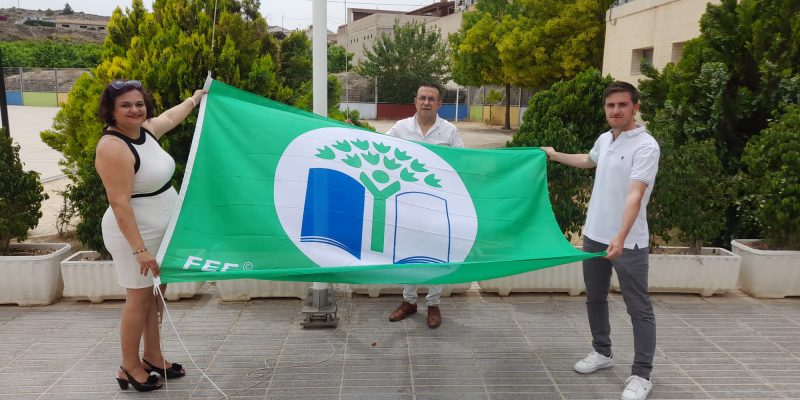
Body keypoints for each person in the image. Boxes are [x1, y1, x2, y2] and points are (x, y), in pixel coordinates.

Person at [541, 81, 660, 400]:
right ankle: (602, 353)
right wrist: (554, 155)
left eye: (622, 105)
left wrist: (620, 237)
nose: (616, 111)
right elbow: (589, 160)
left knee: (639, 308)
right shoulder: (606, 139)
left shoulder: (646, 146)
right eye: (611, 106)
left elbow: (636, 195)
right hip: (594, 236)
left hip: (628, 242)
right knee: (595, 298)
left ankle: (641, 375)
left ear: (635, 107)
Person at [95, 79, 205, 392]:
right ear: (112, 112)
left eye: (139, 104)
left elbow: (170, 117)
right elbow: (119, 204)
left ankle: (153, 356)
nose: (134, 110)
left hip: (161, 230)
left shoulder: (145, 132)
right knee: (139, 299)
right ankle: (129, 366)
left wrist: (195, 99)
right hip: (135, 235)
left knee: (155, 296)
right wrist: (139, 250)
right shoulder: (113, 147)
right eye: (125, 105)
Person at [385, 83, 464, 329]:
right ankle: (409, 301)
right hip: (407, 202)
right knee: (407, 251)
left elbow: (463, 162)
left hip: (438, 205)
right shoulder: (400, 128)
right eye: (422, 98)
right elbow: (379, 147)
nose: (426, 102)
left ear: (440, 104)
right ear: (415, 101)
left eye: (432, 99)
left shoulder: (449, 132)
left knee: (437, 252)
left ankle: (433, 303)